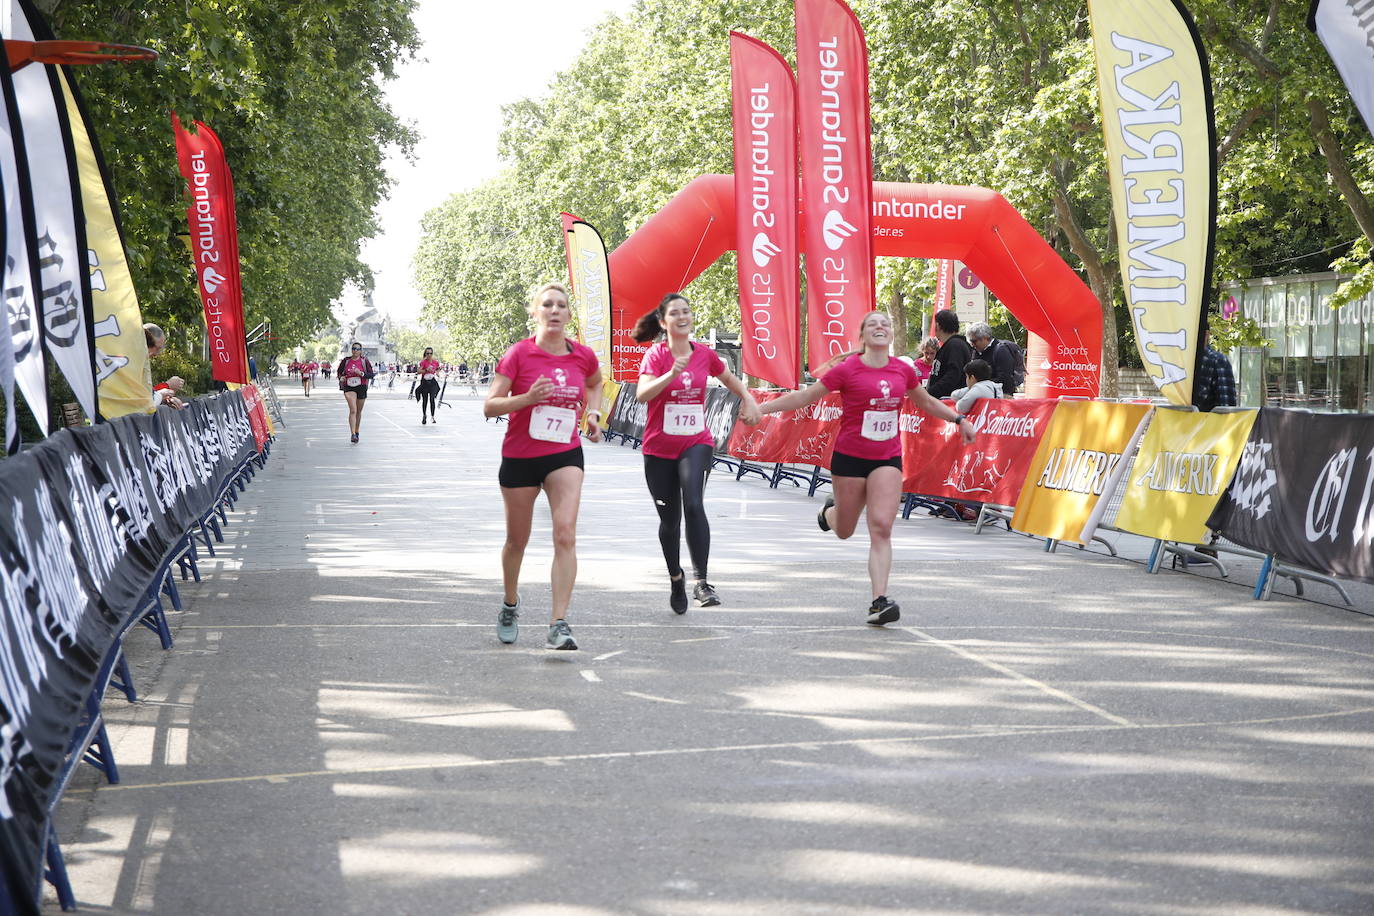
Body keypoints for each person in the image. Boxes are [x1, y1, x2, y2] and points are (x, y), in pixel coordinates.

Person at [752, 311, 975, 626]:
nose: (881, 327)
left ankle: (879, 601)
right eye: (873, 324)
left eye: (885, 323)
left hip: (887, 458)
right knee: (844, 530)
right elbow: (804, 397)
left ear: (891, 335)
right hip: (850, 458)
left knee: (882, 527)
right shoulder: (847, 370)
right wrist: (761, 408)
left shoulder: (902, 370)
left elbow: (925, 402)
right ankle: (828, 514)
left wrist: (959, 419)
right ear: (863, 336)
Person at [484, 282, 603, 650]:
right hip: (520, 457)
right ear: (534, 313)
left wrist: (595, 413)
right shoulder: (518, 355)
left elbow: (596, 383)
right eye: (547, 305)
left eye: (561, 305)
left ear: (569, 315)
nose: (554, 310)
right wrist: (527, 398)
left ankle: (559, 623)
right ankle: (509, 604)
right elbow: (490, 406)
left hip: (564, 454)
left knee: (565, 533)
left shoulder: (582, 356)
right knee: (516, 541)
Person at [633, 293, 761, 613]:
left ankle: (702, 582)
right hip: (659, 448)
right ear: (664, 323)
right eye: (675, 313)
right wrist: (671, 374)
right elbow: (642, 394)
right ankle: (676, 578)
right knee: (670, 520)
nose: (682, 316)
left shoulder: (704, 354)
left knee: (693, 503)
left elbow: (729, 379)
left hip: (696, 442)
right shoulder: (656, 356)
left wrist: (748, 398)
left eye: (686, 311)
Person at [926, 309, 973, 399]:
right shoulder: (951, 345)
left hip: (949, 401)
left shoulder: (955, 345)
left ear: (938, 326)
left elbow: (953, 375)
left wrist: (930, 393)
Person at [966, 322, 1022, 397]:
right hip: (986, 395)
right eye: (970, 342)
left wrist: (980, 385)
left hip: (1001, 396)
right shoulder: (977, 352)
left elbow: (1004, 378)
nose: (972, 345)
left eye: (974, 341)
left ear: (985, 337)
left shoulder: (1001, 350)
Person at [1192, 328, 1237, 412]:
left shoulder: (1217, 361)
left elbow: (1226, 409)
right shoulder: (1182, 361)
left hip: (1208, 423)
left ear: (1206, 334)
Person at [338, 343, 374, 442]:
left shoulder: (364, 361)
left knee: (358, 411)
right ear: (351, 350)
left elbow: (371, 375)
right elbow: (339, 372)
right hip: (348, 386)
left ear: (361, 350)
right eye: (353, 348)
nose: (355, 350)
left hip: (361, 386)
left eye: (358, 349)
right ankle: (353, 434)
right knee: (353, 410)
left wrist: (361, 373)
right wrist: (341, 377)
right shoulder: (346, 361)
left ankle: (357, 431)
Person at [416, 347, 441, 424]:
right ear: (425, 354)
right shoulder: (423, 362)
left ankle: (432, 417)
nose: (429, 355)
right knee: (425, 400)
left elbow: (438, 368)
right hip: (425, 382)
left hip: (432, 382)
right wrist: (426, 370)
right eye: (427, 353)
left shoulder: (435, 362)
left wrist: (437, 372)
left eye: (430, 353)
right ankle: (424, 416)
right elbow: (418, 371)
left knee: (432, 400)